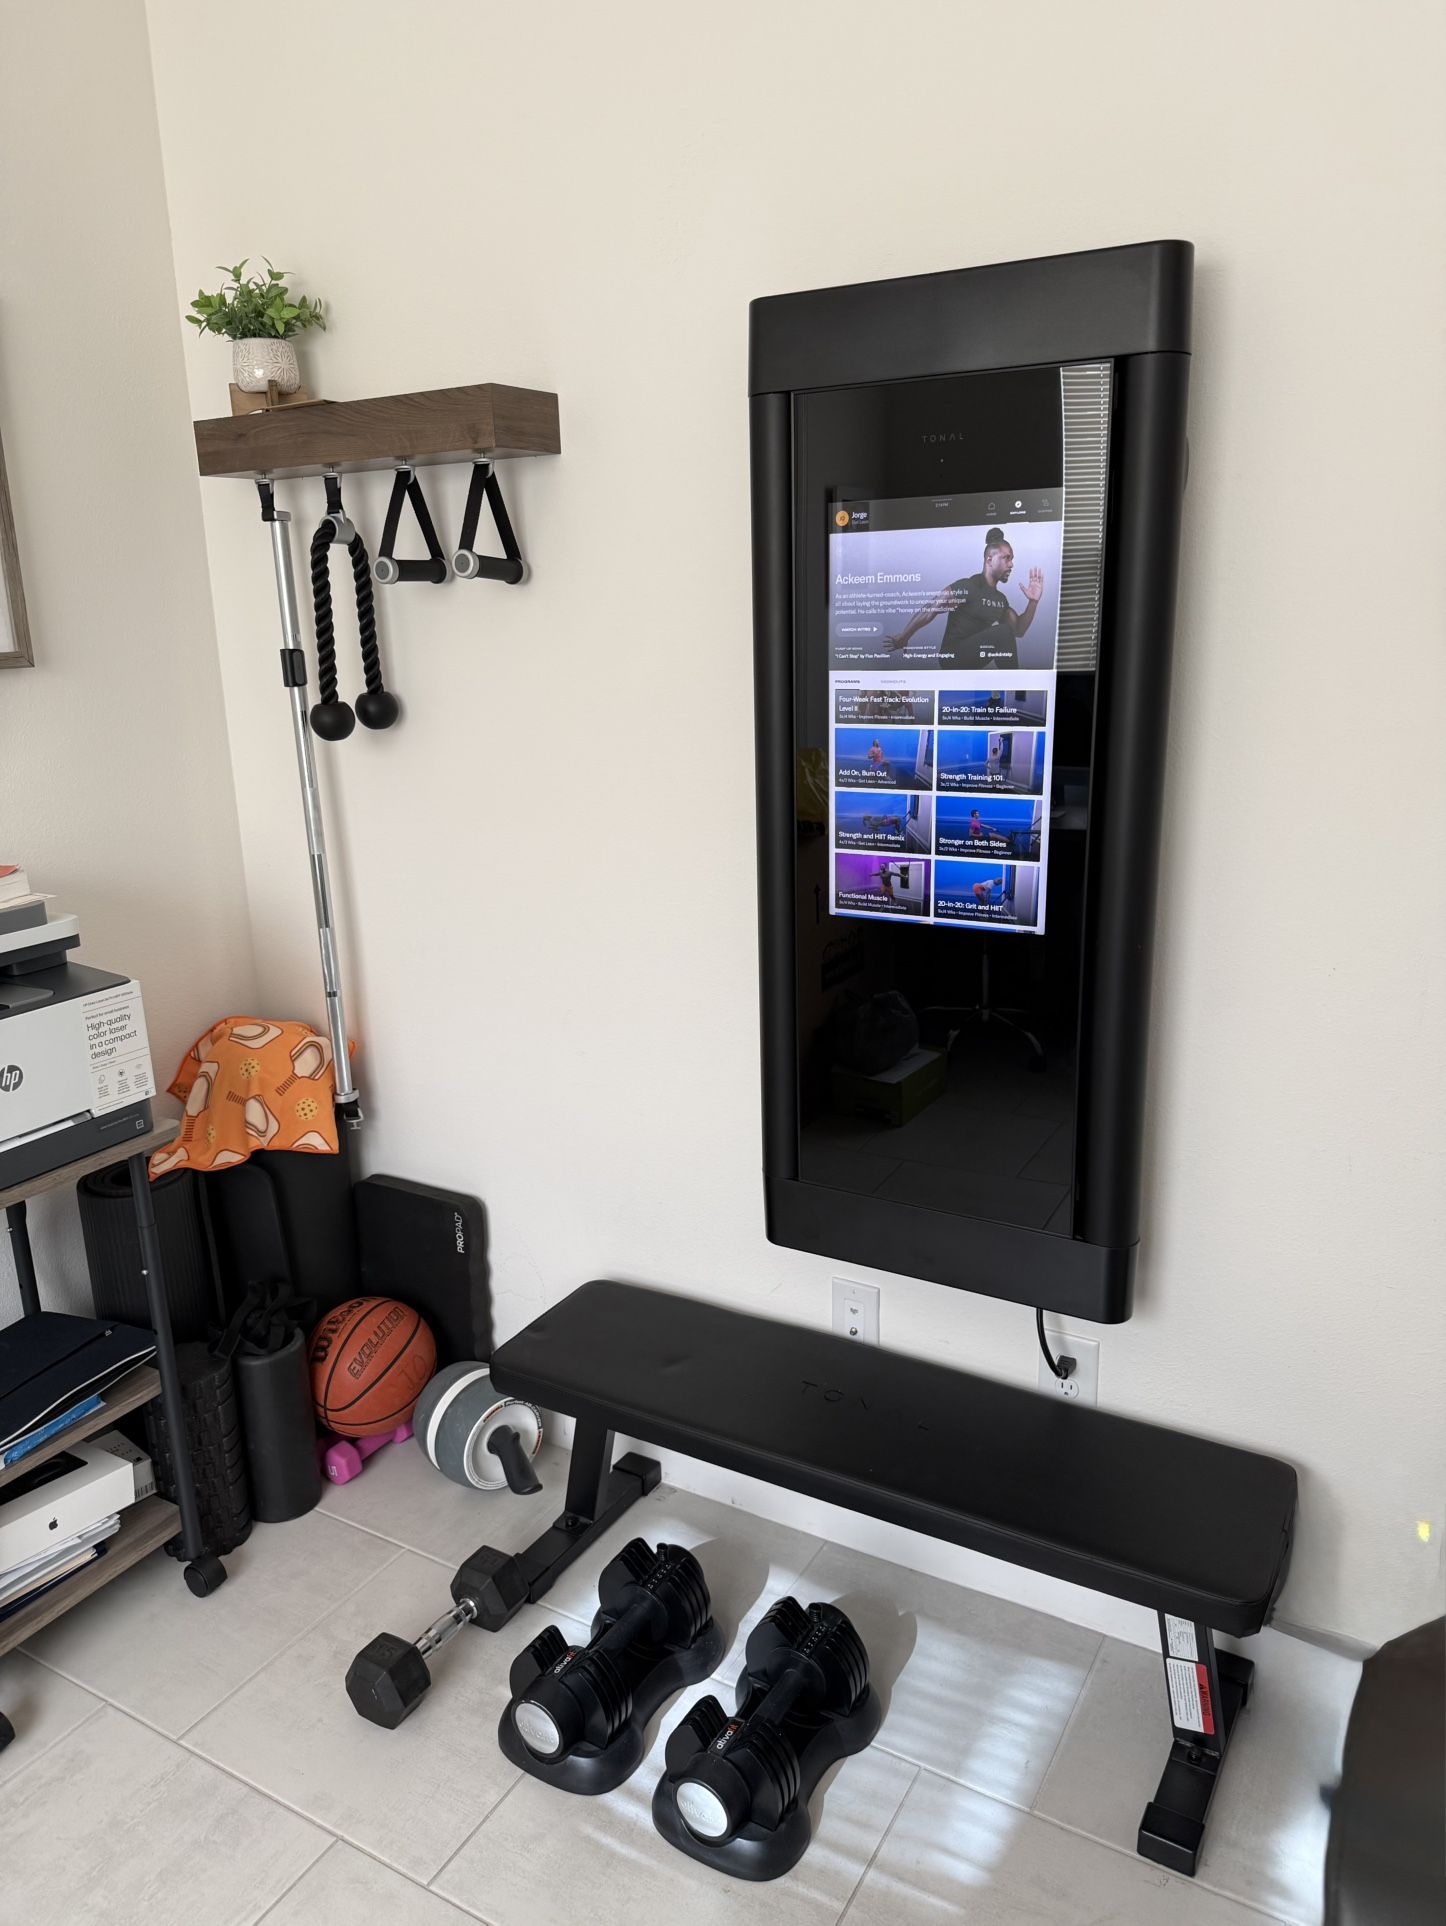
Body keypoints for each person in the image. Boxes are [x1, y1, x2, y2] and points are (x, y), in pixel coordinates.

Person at [886, 529, 1044, 669]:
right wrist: (904, 637)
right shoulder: (969, 586)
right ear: (989, 559)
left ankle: (1009, 685)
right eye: (1007, 558)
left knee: (1005, 632)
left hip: (973, 656)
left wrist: (1033, 602)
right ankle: (1014, 685)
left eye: (1012, 559)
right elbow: (930, 609)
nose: (1011, 565)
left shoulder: (1000, 600)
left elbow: (1018, 631)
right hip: (952, 656)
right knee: (1003, 632)